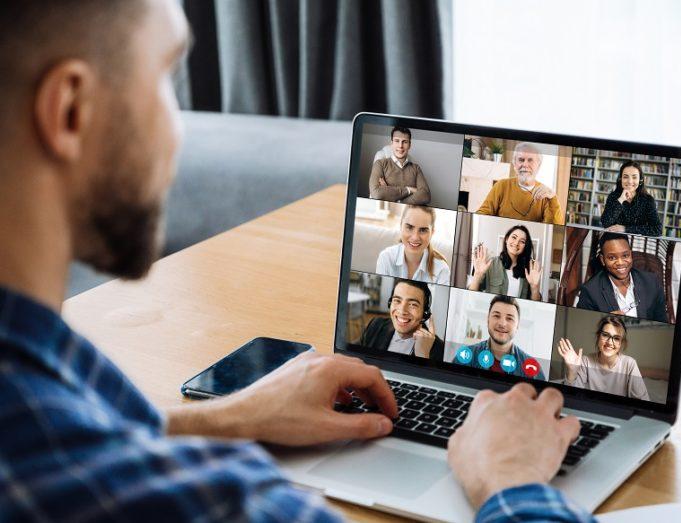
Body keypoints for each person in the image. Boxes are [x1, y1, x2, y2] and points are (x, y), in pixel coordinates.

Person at [0, 1, 592, 521]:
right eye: (164, 75)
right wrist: (510, 482)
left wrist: (228, 417)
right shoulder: (198, 500)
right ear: (71, 110)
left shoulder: (40, 386)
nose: (178, 129)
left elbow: (94, 426)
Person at [576, 233, 668, 323]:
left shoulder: (652, 282)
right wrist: (605, 321)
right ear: (602, 260)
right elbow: (583, 325)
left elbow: (662, 323)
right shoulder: (589, 291)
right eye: (612, 258)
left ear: (631, 255)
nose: (620, 263)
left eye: (625, 255)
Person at [557, 316, 650, 400]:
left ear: (621, 343)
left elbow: (643, 401)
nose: (610, 342)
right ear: (598, 337)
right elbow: (571, 397)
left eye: (616, 338)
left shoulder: (630, 364)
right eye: (605, 335)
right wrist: (572, 371)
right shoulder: (586, 361)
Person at [453, 296, 546, 380]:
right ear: (488, 320)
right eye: (496, 316)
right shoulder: (464, 357)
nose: (502, 324)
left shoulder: (532, 367)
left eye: (509, 318)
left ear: (517, 325)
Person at [478, 142, 563, 224]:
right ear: (514, 164)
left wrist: (553, 198)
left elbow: (555, 226)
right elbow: (482, 214)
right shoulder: (501, 185)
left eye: (530, 160)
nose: (525, 164)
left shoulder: (546, 195)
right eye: (521, 160)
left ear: (538, 165)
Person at [360, 279, 444, 361]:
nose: (402, 311)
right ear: (390, 303)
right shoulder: (376, 324)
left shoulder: (439, 348)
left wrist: (423, 355)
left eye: (413, 304)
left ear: (425, 313)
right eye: (397, 300)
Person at [376, 204, 450, 285]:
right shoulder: (386, 258)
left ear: (432, 232)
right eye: (410, 227)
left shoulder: (441, 270)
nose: (415, 237)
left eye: (423, 230)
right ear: (401, 226)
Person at [468, 224, 543, 301]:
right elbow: (471, 297)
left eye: (522, 241)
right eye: (514, 237)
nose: (516, 243)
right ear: (507, 239)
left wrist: (534, 288)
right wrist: (477, 275)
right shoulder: (490, 264)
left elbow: (534, 303)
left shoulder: (528, 271)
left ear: (525, 246)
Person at [368, 126, 431, 204]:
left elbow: (426, 196)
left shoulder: (416, 168)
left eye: (405, 142)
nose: (400, 146)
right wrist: (409, 190)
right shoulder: (380, 164)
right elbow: (377, 194)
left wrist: (391, 195)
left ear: (409, 145)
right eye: (397, 141)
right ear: (391, 144)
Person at [600, 160, 662, 236]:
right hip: (614, 239)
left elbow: (657, 229)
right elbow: (605, 223)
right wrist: (621, 199)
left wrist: (625, 229)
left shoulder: (648, 200)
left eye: (634, 177)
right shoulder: (613, 196)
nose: (630, 181)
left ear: (640, 180)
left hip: (637, 242)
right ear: (620, 179)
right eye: (625, 177)